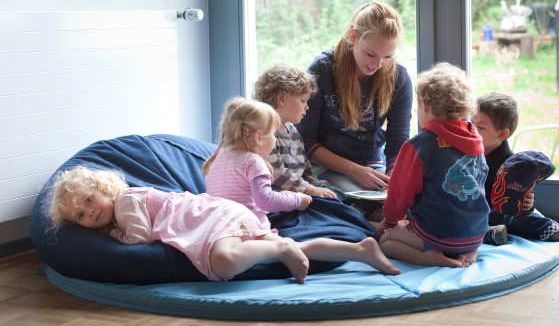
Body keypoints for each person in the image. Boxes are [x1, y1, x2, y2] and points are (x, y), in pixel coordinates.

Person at [48, 166, 398, 284]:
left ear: (104, 189)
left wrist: (117, 236)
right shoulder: (125, 202)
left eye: (89, 200)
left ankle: (280, 246)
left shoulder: (126, 203)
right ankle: (360, 250)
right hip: (221, 216)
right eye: (79, 215)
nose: (88, 213)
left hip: (207, 219)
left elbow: (138, 238)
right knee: (260, 249)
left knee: (224, 263)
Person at [202, 97, 401, 277]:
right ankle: (359, 250)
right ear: (258, 137)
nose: (275, 139)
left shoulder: (218, 158)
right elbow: (266, 200)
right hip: (241, 225)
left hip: (234, 225)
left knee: (292, 247)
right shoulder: (253, 161)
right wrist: (297, 200)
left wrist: (296, 197)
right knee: (298, 247)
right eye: (274, 133)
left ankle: (361, 250)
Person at [375, 62, 490, 267]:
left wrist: (390, 223)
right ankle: (469, 252)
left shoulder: (419, 145)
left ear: (424, 103)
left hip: (438, 233)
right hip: (476, 232)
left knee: (386, 242)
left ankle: (427, 257)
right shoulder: (475, 139)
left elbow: (400, 194)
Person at [296, 0, 413, 196]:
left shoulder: (399, 78)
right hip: (324, 164)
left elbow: (398, 141)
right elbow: (306, 141)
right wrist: (355, 170)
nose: (378, 64)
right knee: (352, 200)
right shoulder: (322, 69)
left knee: (399, 202)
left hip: (372, 163)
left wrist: (394, 182)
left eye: (387, 57)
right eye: (371, 54)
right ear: (353, 35)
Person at [474, 91, 559, 261]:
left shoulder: (512, 164)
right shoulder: (465, 153)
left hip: (499, 213)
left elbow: (518, 196)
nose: (472, 130)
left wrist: (527, 203)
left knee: (525, 218)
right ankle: (489, 234)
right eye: (471, 123)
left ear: (502, 134)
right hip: (469, 212)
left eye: (480, 128)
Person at [253, 63, 337, 199]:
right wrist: (310, 190)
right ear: (282, 99)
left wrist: (319, 186)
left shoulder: (293, 133)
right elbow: (276, 174)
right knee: (328, 207)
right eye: (303, 101)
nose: (307, 107)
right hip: (280, 197)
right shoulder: (265, 134)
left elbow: (305, 169)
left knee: (336, 195)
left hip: (302, 191)